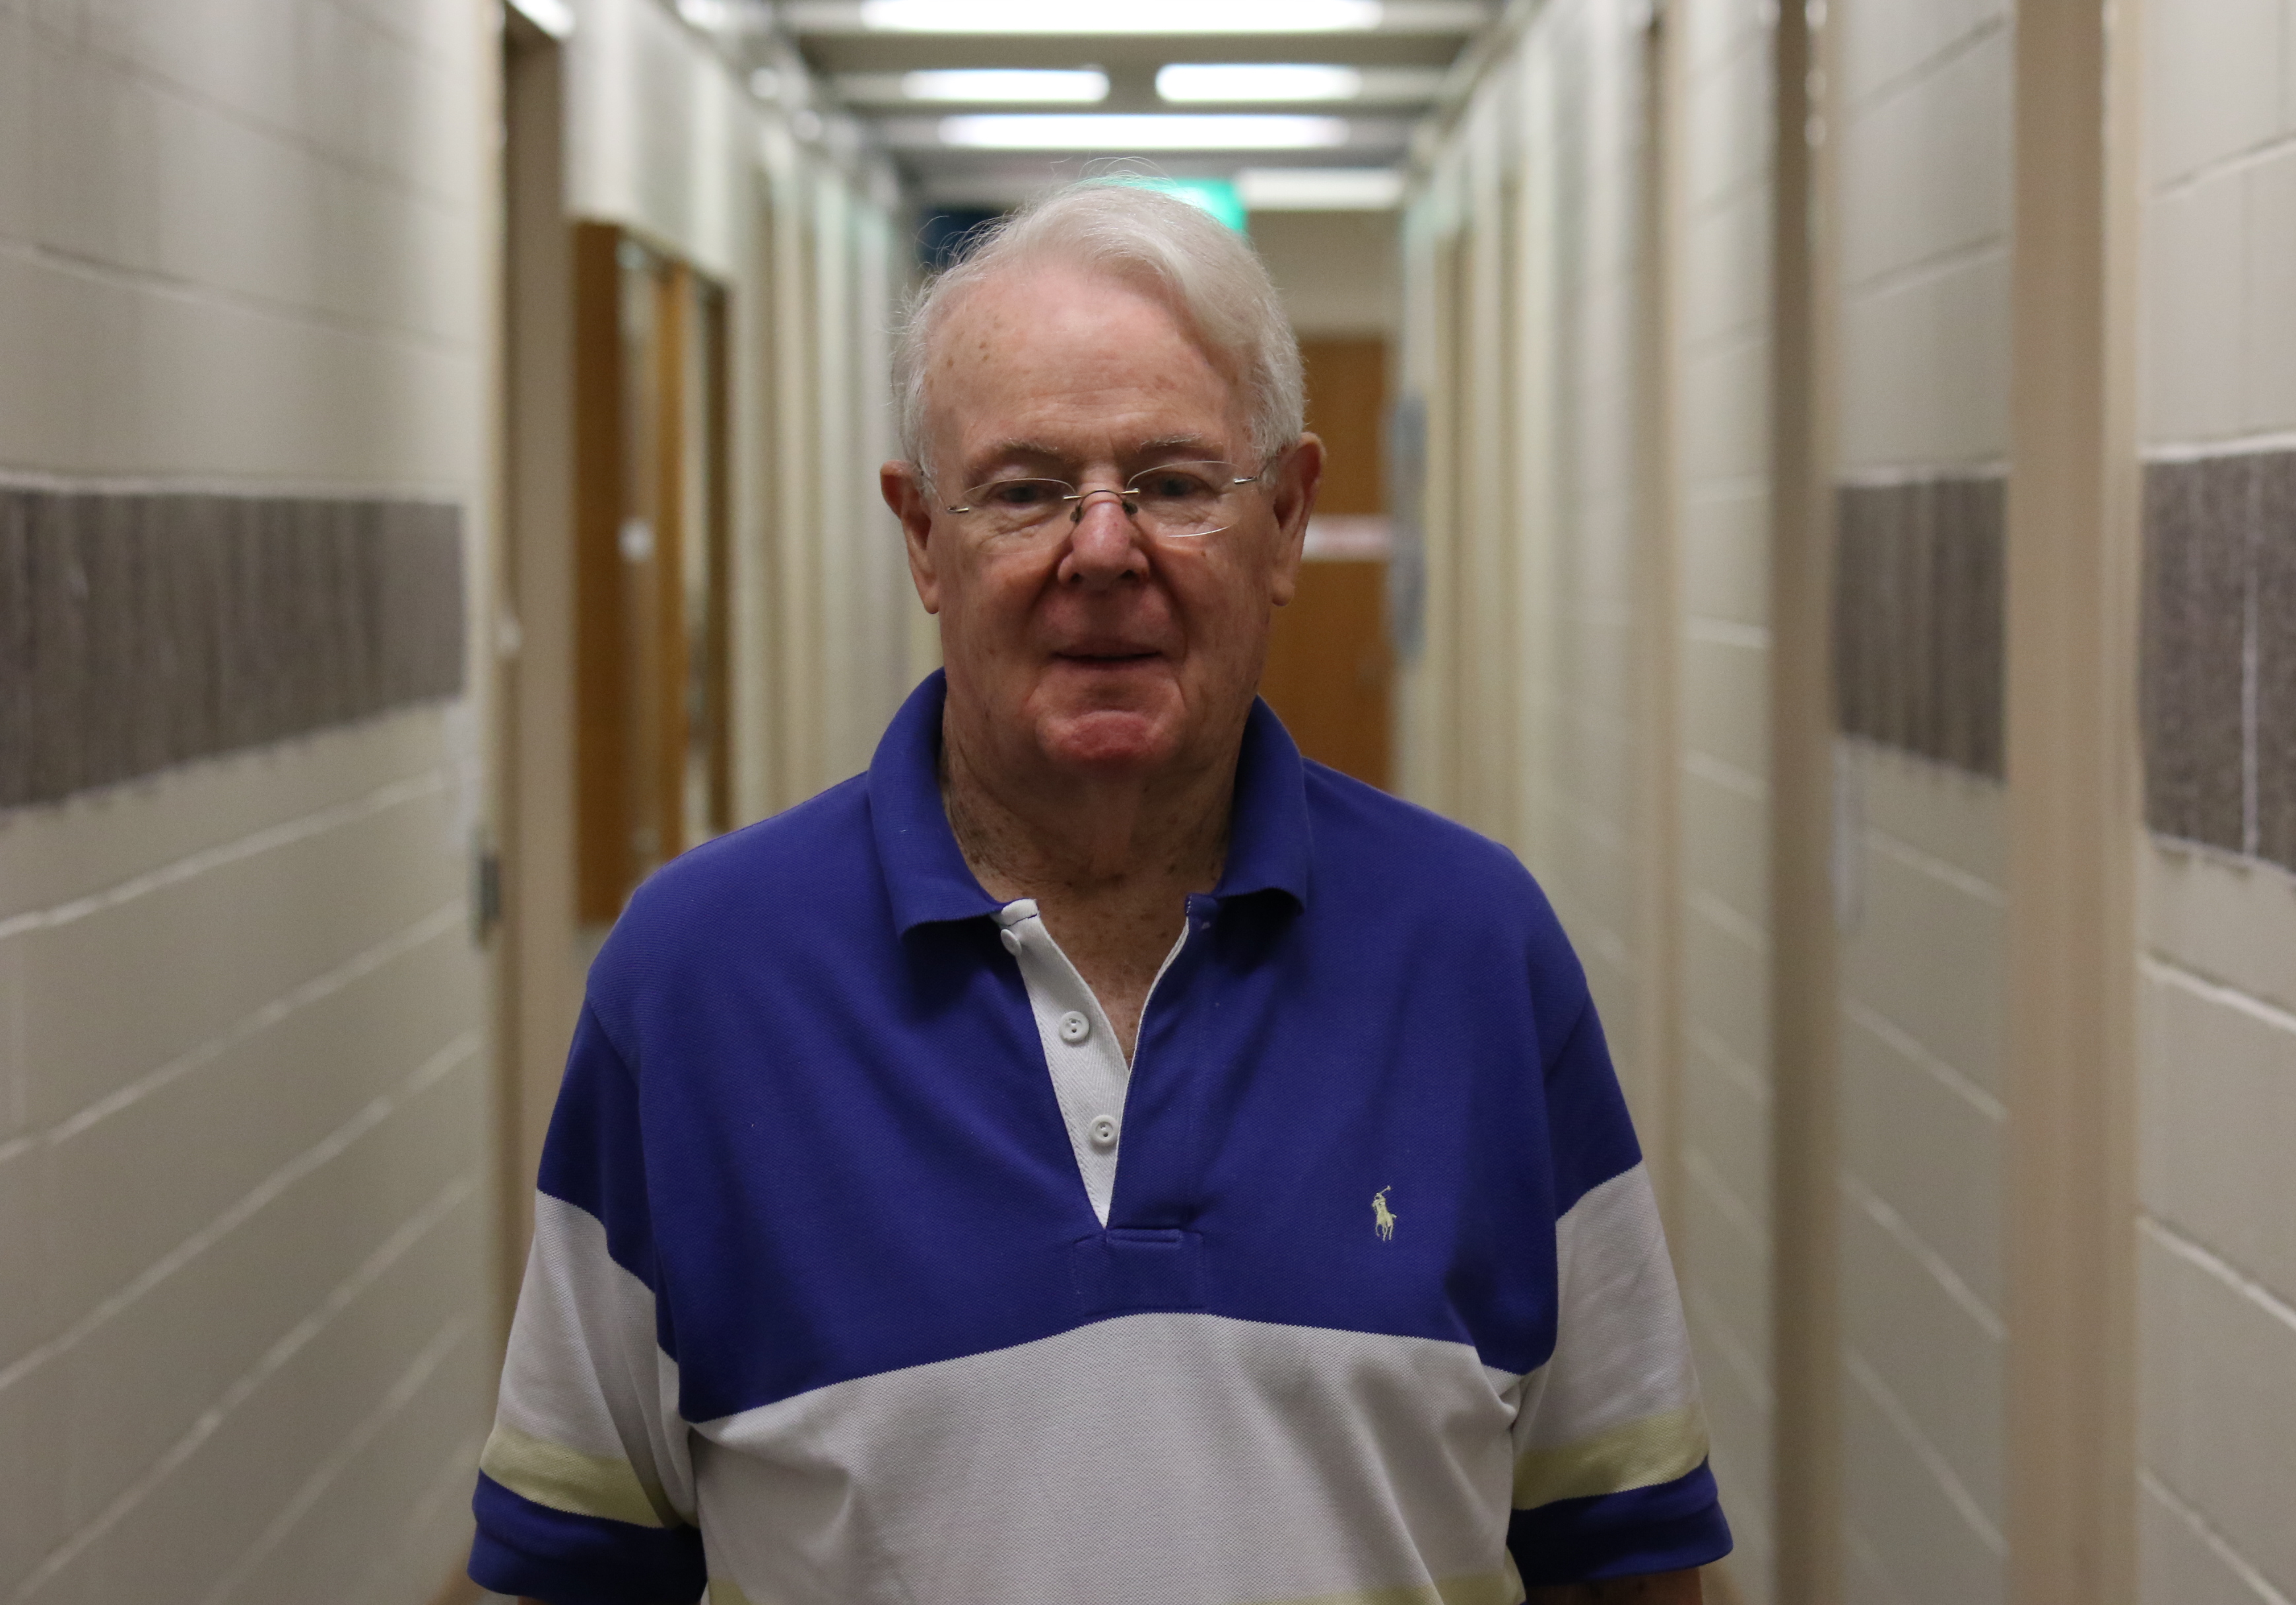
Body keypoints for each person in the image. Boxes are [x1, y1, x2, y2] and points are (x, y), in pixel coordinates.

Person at [467, 179, 1732, 1605]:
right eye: (1023, 491)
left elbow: (1624, 1555)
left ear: (1288, 518)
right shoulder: (696, 984)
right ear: (921, 537)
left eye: (1176, 484)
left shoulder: (1481, 956)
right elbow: (574, 1568)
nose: (1106, 549)